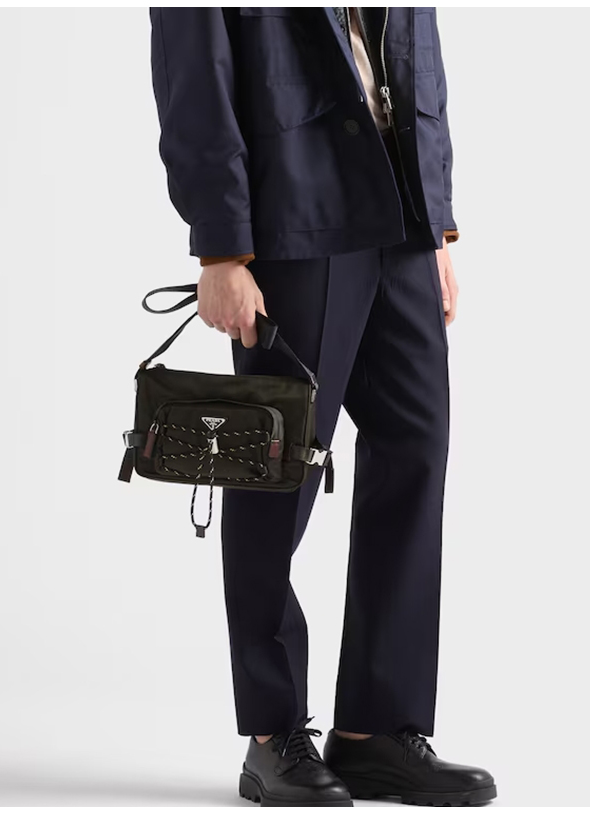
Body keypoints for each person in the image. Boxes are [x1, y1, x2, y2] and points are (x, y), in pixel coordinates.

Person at [149, 7, 496, 807]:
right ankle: (273, 734)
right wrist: (221, 247)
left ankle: (377, 730)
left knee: (416, 452)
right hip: (295, 214)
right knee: (276, 471)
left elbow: (416, 49)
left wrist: (438, 223)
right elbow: (193, 78)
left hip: (400, 213)